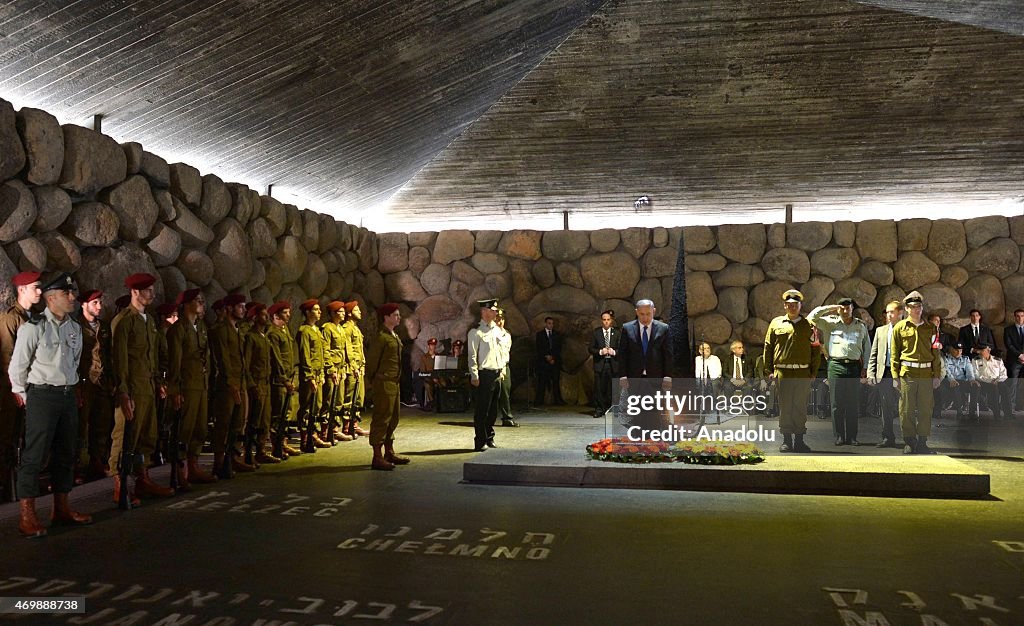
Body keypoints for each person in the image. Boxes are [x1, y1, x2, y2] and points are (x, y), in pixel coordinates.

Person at [8, 272, 91, 537]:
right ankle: (27, 514)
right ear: (50, 298)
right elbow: (17, 366)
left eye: (72, 293)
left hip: (66, 395)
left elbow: (75, 360)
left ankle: (61, 508)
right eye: (66, 294)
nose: (72, 297)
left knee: (66, 452)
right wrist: (24, 393)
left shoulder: (74, 328)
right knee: (35, 455)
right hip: (42, 395)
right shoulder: (34, 327)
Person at [109, 272, 175, 502]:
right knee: (125, 437)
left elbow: (152, 356)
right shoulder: (124, 320)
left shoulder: (148, 322)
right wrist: (124, 391)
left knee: (146, 435)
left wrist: (158, 382)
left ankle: (142, 479)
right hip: (133, 388)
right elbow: (120, 359)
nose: (152, 294)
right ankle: (120, 485)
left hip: (147, 386)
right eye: (147, 290)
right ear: (134, 292)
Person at [164, 288, 217, 485]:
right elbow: (175, 363)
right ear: (186, 304)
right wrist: (175, 390)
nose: (201, 303)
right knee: (183, 430)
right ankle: (180, 472)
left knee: (200, 428)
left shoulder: (200, 327)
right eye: (197, 300)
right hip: (187, 386)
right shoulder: (178, 329)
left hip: (200, 385)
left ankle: (193, 466)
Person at [763, 289, 821, 453]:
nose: (792, 307)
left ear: (800, 305)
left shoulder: (809, 326)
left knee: (800, 407)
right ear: (785, 306)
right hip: (783, 372)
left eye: (795, 304)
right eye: (789, 304)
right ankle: (787, 440)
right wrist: (768, 370)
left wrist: (813, 371)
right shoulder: (776, 324)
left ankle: (800, 440)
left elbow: (816, 350)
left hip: (803, 373)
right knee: (785, 407)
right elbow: (768, 347)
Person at [1, 271, 41, 502]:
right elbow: (7, 357)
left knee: (26, 437)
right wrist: (17, 389)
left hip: (32, 388)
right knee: (9, 437)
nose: (39, 291)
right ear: (21, 290)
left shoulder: (34, 318)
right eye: (35, 287)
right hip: (13, 390)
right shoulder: (10, 319)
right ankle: (7, 484)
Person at [808, 298, 872, 446]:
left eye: (847, 308)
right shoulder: (830, 323)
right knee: (837, 403)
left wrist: (866, 367)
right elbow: (812, 317)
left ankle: (852, 436)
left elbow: (866, 347)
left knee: (852, 403)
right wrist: (830, 307)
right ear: (838, 309)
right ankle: (839, 436)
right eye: (841, 308)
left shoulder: (860, 326)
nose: (844, 310)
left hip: (854, 367)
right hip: (836, 365)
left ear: (852, 309)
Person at [890, 291, 942, 454]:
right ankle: (909, 442)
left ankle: (923, 442)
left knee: (926, 409)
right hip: (907, 374)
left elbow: (936, 353)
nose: (917, 310)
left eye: (919, 306)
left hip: (926, 373)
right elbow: (894, 354)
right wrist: (895, 376)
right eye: (913, 307)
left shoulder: (931, 328)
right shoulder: (900, 327)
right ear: (906, 309)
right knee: (906, 409)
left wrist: (937, 375)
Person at [74, 289, 113, 482]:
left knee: (102, 422)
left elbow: (108, 354)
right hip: (84, 380)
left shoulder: (104, 327)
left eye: (100, 302)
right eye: (95, 303)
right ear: (84, 304)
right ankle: (77, 466)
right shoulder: (75, 326)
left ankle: (97, 460)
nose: (99, 306)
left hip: (101, 382)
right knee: (80, 425)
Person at [210, 293, 251, 476]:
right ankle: (219, 463)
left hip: (239, 382)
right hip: (228, 384)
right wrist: (232, 383)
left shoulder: (237, 329)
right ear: (229, 308)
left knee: (238, 422)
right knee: (224, 423)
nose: (243, 310)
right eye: (240, 306)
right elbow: (223, 359)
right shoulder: (221, 330)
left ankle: (233, 458)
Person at [617, 299, 673, 429]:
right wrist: (623, 375)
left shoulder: (663, 328)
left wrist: (668, 375)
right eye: (642, 314)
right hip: (634, 377)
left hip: (656, 377)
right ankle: (638, 438)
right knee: (636, 410)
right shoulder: (627, 328)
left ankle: (654, 439)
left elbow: (668, 354)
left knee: (655, 410)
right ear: (636, 312)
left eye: (648, 314)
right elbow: (623, 354)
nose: (645, 317)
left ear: (653, 311)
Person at [365, 303, 408, 470]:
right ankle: (377, 456)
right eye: (396, 315)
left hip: (393, 383)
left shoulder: (393, 335)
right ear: (386, 317)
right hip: (384, 382)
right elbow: (372, 361)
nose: (399, 317)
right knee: (381, 418)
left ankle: (389, 451)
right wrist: (371, 380)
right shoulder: (381, 337)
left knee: (393, 418)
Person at [243, 302, 281, 464]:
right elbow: (247, 363)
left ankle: (260, 450)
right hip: (257, 383)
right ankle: (248, 453)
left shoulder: (263, 337)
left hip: (266, 382)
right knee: (254, 420)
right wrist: (252, 385)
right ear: (255, 317)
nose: (266, 317)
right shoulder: (251, 337)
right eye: (263, 315)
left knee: (265, 420)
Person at [469, 298, 507, 451]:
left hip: (496, 374)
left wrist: (502, 369)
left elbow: (502, 352)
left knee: (493, 410)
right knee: (482, 410)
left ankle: (490, 437)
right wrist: (474, 375)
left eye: (494, 311)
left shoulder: (497, 330)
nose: (494, 313)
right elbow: (472, 355)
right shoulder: (476, 332)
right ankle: (480, 440)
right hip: (484, 375)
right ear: (483, 312)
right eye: (491, 310)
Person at [867, 300, 903, 448]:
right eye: (887, 312)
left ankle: (910, 438)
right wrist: (871, 372)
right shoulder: (880, 331)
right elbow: (874, 353)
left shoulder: (907, 330)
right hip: (885, 373)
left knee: (904, 407)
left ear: (900, 313)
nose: (889, 315)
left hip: (902, 373)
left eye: (892, 312)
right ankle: (888, 437)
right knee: (886, 408)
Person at [267, 301, 301, 459]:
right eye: (285, 312)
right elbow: (276, 358)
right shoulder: (273, 333)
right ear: (276, 315)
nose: (288, 315)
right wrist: (284, 379)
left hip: (288, 376)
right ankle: (277, 445)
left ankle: (283, 443)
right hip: (279, 381)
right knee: (278, 415)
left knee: (286, 413)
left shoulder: (284, 330)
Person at [296, 299, 329, 452]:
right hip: (309, 376)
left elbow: (320, 355)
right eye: (316, 309)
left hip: (318, 374)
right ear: (308, 313)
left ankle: (313, 434)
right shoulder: (304, 331)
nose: (319, 312)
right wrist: (309, 376)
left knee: (317, 405)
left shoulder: (316, 330)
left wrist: (321, 374)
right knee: (307, 407)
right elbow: (305, 355)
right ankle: (305, 438)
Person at [321, 301, 352, 442]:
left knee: (338, 400)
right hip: (332, 370)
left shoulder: (340, 328)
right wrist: (331, 369)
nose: (343, 313)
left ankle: (334, 428)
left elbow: (344, 351)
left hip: (340, 369)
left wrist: (344, 367)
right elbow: (326, 350)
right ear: (333, 313)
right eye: (340, 311)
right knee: (329, 401)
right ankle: (324, 431)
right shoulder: (327, 328)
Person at [341, 301, 369, 438]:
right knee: (350, 397)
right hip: (352, 369)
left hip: (359, 367)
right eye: (357, 310)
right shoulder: (347, 328)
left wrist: (362, 365)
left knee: (358, 397)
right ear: (350, 313)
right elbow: (348, 350)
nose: (360, 312)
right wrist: (353, 367)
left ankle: (354, 424)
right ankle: (347, 427)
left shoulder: (356, 328)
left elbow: (359, 350)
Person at [588, 310, 620, 418]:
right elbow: (590, 348)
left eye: (608, 320)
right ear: (601, 321)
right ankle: (599, 409)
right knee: (599, 388)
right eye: (604, 320)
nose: (606, 322)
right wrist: (600, 352)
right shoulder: (596, 333)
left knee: (613, 388)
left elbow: (623, 349)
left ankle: (613, 409)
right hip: (600, 364)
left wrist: (614, 352)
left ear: (611, 321)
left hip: (612, 364)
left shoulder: (617, 333)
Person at [974, 344, 1012, 420]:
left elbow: (1004, 374)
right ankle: (996, 414)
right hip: (984, 383)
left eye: (982, 350)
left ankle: (1008, 414)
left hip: (998, 381)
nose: (980, 352)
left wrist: (997, 380)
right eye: (979, 350)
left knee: (1006, 389)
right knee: (994, 389)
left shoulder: (997, 360)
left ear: (988, 350)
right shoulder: (976, 360)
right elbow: (976, 375)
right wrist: (990, 381)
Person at [939, 343, 976, 421]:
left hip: (963, 381)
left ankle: (972, 412)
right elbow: (947, 371)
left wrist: (972, 379)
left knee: (976, 386)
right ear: (951, 349)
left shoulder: (965, 359)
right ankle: (959, 412)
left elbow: (969, 371)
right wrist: (951, 380)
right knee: (955, 386)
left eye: (960, 350)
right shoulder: (946, 358)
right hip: (950, 381)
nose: (959, 352)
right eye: (956, 350)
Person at [495, 310, 517, 427]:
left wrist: (504, 367)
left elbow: (506, 351)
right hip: (494, 366)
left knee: (505, 391)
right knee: (493, 394)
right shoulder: (491, 334)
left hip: (505, 365)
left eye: (502, 319)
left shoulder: (507, 334)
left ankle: (506, 417)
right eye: (498, 319)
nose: (500, 322)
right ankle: (489, 417)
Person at [534, 317, 564, 405]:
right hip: (543, 362)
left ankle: (558, 400)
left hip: (554, 362)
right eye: (549, 323)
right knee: (542, 381)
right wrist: (546, 356)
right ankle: (539, 400)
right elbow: (539, 348)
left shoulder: (557, 334)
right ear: (545, 324)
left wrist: (553, 358)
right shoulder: (540, 335)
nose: (551, 325)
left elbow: (558, 348)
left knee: (556, 381)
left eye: (552, 323)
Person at [1003, 308, 1024, 415]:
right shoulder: (1008, 330)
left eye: (1022, 316)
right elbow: (1008, 345)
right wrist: (1020, 355)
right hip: (1014, 361)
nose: (1020, 318)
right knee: (1013, 384)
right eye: (1018, 316)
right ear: (1014, 317)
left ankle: (1021, 406)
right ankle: (1011, 409)